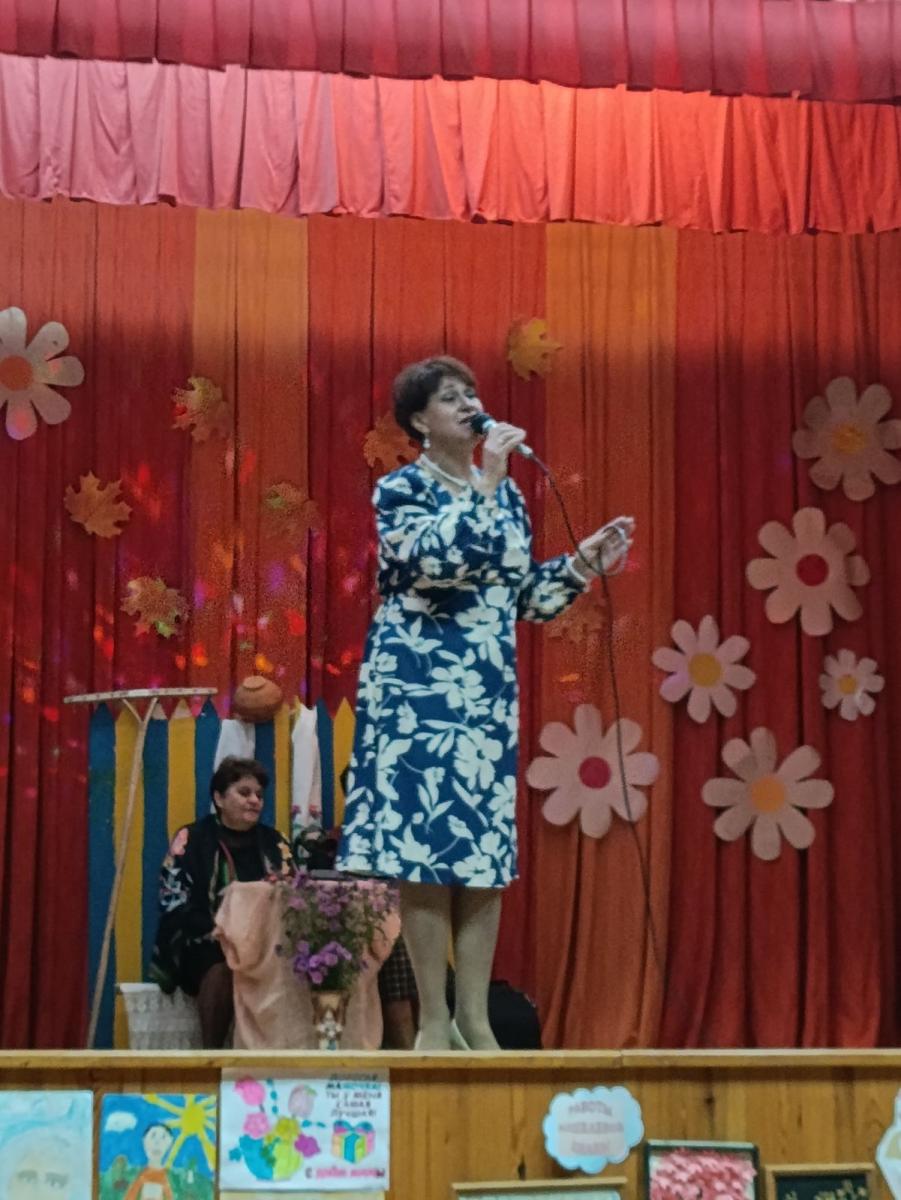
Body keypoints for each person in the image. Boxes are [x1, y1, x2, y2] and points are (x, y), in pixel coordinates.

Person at [336, 355, 633, 1050]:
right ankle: (432, 1022)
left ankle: (474, 1017)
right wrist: (487, 486)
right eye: (451, 397)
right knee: (423, 854)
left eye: (472, 393)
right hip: (415, 691)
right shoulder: (400, 490)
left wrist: (580, 565)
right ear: (419, 420)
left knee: (480, 856)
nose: (469, 404)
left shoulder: (508, 497)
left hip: (483, 696)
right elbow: (433, 566)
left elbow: (520, 598)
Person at [149, 756, 294, 1047]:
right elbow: (173, 900)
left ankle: (279, 1059)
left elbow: (294, 898)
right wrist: (221, 932)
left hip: (266, 945)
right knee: (220, 967)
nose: (254, 801)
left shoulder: (275, 842)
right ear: (219, 798)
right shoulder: (191, 839)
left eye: (259, 795)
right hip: (206, 940)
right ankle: (213, 1056)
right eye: (244, 793)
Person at [123, 1124, 175, 1200]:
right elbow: (130, 1196)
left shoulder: (169, 1178)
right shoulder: (141, 1176)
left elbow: (170, 1196)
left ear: (170, 1144)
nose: (157, 1142)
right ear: (144, 1141)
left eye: (163, 1137)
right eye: (153, 1136)